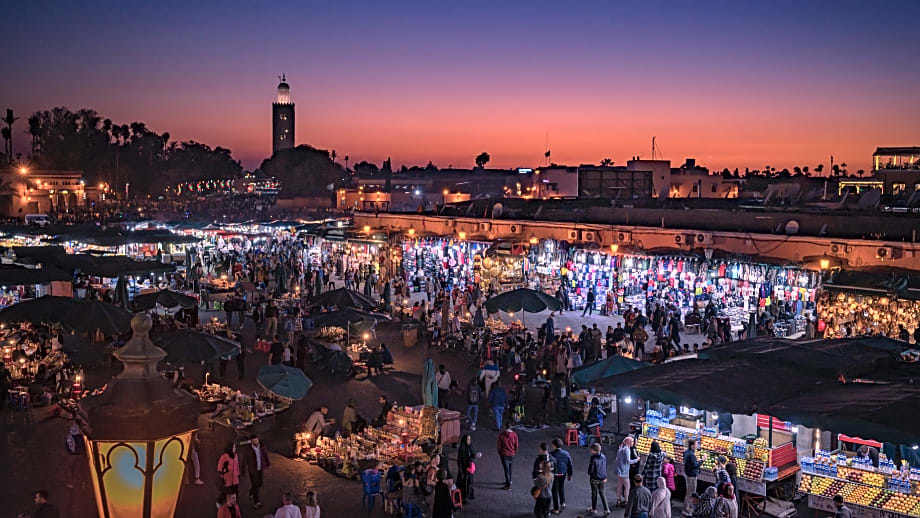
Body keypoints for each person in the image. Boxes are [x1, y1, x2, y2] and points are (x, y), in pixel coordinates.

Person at [241, 435, 271, 508]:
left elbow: (265, 455)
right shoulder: (248, 449)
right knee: (256, 485)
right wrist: (243, 470)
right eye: (253, 441)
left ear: (258, 439)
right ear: (251, 441)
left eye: (256, 440)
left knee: (260, 483)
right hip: (252, 470)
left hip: (260, 469)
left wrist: (268, 464)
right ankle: (256, 502)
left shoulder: (262, 447)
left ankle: (251, 491)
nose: (255, 442)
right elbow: (244, 460)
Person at [550, 438, 574, 514]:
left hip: (555, 475)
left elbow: (549, 466)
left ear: (554, 445)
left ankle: (556, 508)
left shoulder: (551, 454)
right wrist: (569, 474)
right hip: (563, 474)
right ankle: (563, 503)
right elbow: (570, 465)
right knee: (561, 487)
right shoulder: (566, 453)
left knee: (554, 491)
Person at [587, 443, 611, 516]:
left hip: (595, 478)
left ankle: (594, 508)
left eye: (591, 449)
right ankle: (607, 509)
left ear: (594, 450)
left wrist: (589, 473)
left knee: (594, 493)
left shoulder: (593, 458)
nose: (590, 451)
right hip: (603, 478)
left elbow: (591, 470)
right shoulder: (603, 456)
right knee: (602, 493)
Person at [615, 436, 639, 507]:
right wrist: (637, 460)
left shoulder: (621, 448)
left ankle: (618, 500)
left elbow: (617, 459)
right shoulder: (627, 450)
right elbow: (628, 461)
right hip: (624, 471)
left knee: (619, 485)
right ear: (629, 442)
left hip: (619, 471)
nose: (633, 443)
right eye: (632, 442)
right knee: (627, 486)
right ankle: (626, 501)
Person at [682, 440, 702, 517]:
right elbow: (695, 465)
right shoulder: (691, 454)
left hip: (687, 474)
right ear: (692, 446)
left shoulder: (686, 451)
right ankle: (687, 512)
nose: (697, 446)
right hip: (691, 476)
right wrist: (702, 460)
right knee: (690, 494)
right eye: (696, 444)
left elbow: (690, 463)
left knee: (689, 493)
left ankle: (688, 510)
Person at [498, 422, 519, 490]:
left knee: (506, 470)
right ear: (511, 427)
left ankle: (508, 485)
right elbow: (516, 445)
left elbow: (499, 446)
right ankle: (509, 480)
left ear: (505, 427)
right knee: (510, 469)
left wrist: (500, 453)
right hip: (512, 454)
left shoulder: (501, 435)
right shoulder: (514, 435)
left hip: (504, 454)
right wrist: (514, 451)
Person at [457, 434, 478, 503]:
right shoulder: (461, 449)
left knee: (470, 481)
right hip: (463, 468)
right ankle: (463, 497)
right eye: (468, 439)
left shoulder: (470, 447)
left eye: (469, 439)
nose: (469, 441)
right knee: (463, 483)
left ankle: (469, 494)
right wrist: (460, 469)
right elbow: (459, 460)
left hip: (469, 468)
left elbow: (473, 455)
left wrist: (473, 457)